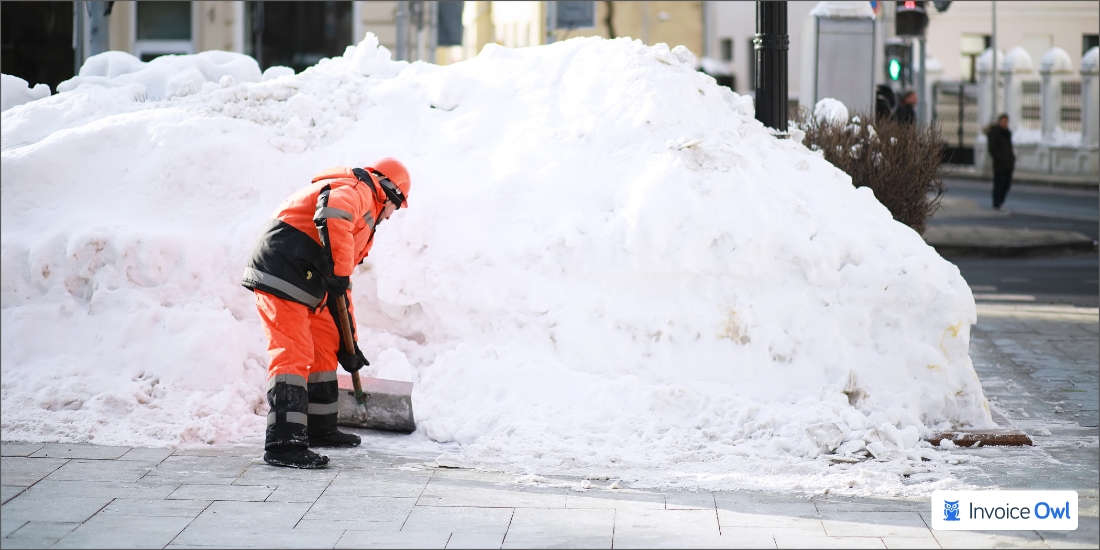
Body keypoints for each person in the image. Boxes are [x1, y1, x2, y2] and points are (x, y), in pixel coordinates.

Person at [241, 159, 411, 468]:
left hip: (307, 276)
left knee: (325, 344)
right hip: (284, 267)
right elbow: (332, 212)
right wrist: (340, 271)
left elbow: (340, 288)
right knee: (293, 352)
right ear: (389, 192)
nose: (392, 214)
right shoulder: (360, 190)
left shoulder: (365, 210)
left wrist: (351, 346)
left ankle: (319, 427)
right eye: (396, 207)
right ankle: (283, 444)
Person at [984, 114, 1015, 210]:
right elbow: (992, 148)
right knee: (999, 183)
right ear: (999, 121)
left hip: (1008, 164)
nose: (1005, 124)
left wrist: (1012, 159)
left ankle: (1001, 201)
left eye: (1007, 122)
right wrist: (1000, 158)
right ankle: (997, 203)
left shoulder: (1007, 133)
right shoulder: (995, 133)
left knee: (1007, 184)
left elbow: (1009, 148)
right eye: (1003, 121)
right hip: (999, 164)